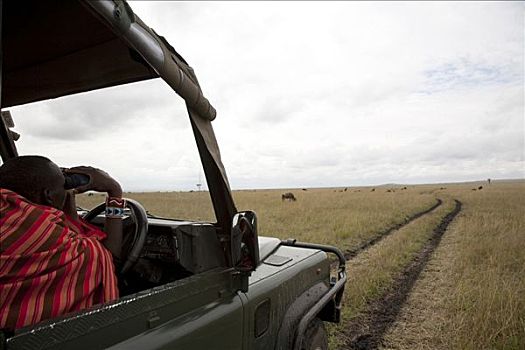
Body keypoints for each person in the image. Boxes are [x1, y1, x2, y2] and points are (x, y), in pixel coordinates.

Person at [0, 155, 124, 330]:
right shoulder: (45, 234)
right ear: (48, 196)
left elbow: (72, 237)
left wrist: (64, 198)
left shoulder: (15, 216)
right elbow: (109, 258)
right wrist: (114, 190)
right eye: (63, 186)